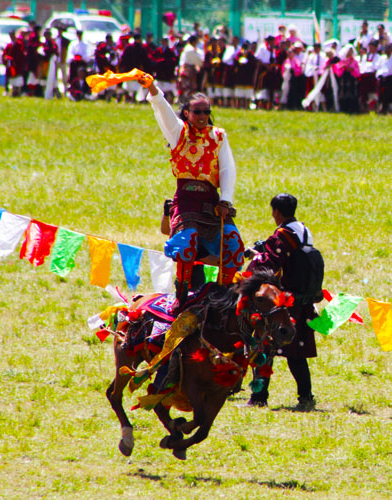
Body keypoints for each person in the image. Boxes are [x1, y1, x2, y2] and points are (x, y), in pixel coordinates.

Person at [143, 77, 243, 305]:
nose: (201, 116)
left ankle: (224, 297)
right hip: (186, 203)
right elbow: (162, 108)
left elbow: (228, 168)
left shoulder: (218, 136)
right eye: (197, 112)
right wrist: (152, 88)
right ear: (186, 113)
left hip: (213, 203)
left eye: (206, 112)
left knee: (234, 246)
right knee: (186, 243)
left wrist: (226, 201)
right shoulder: (178, 132)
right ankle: (182, 296)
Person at [244, 193, 319, 411]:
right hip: (302, 300)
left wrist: (255, 255)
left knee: (264, 347)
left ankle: (259, 397)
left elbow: (268, 266)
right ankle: (305, 397)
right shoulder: (304, 231)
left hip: (281, 302)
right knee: (297, 352)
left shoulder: (283, 235)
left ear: (276, 211)